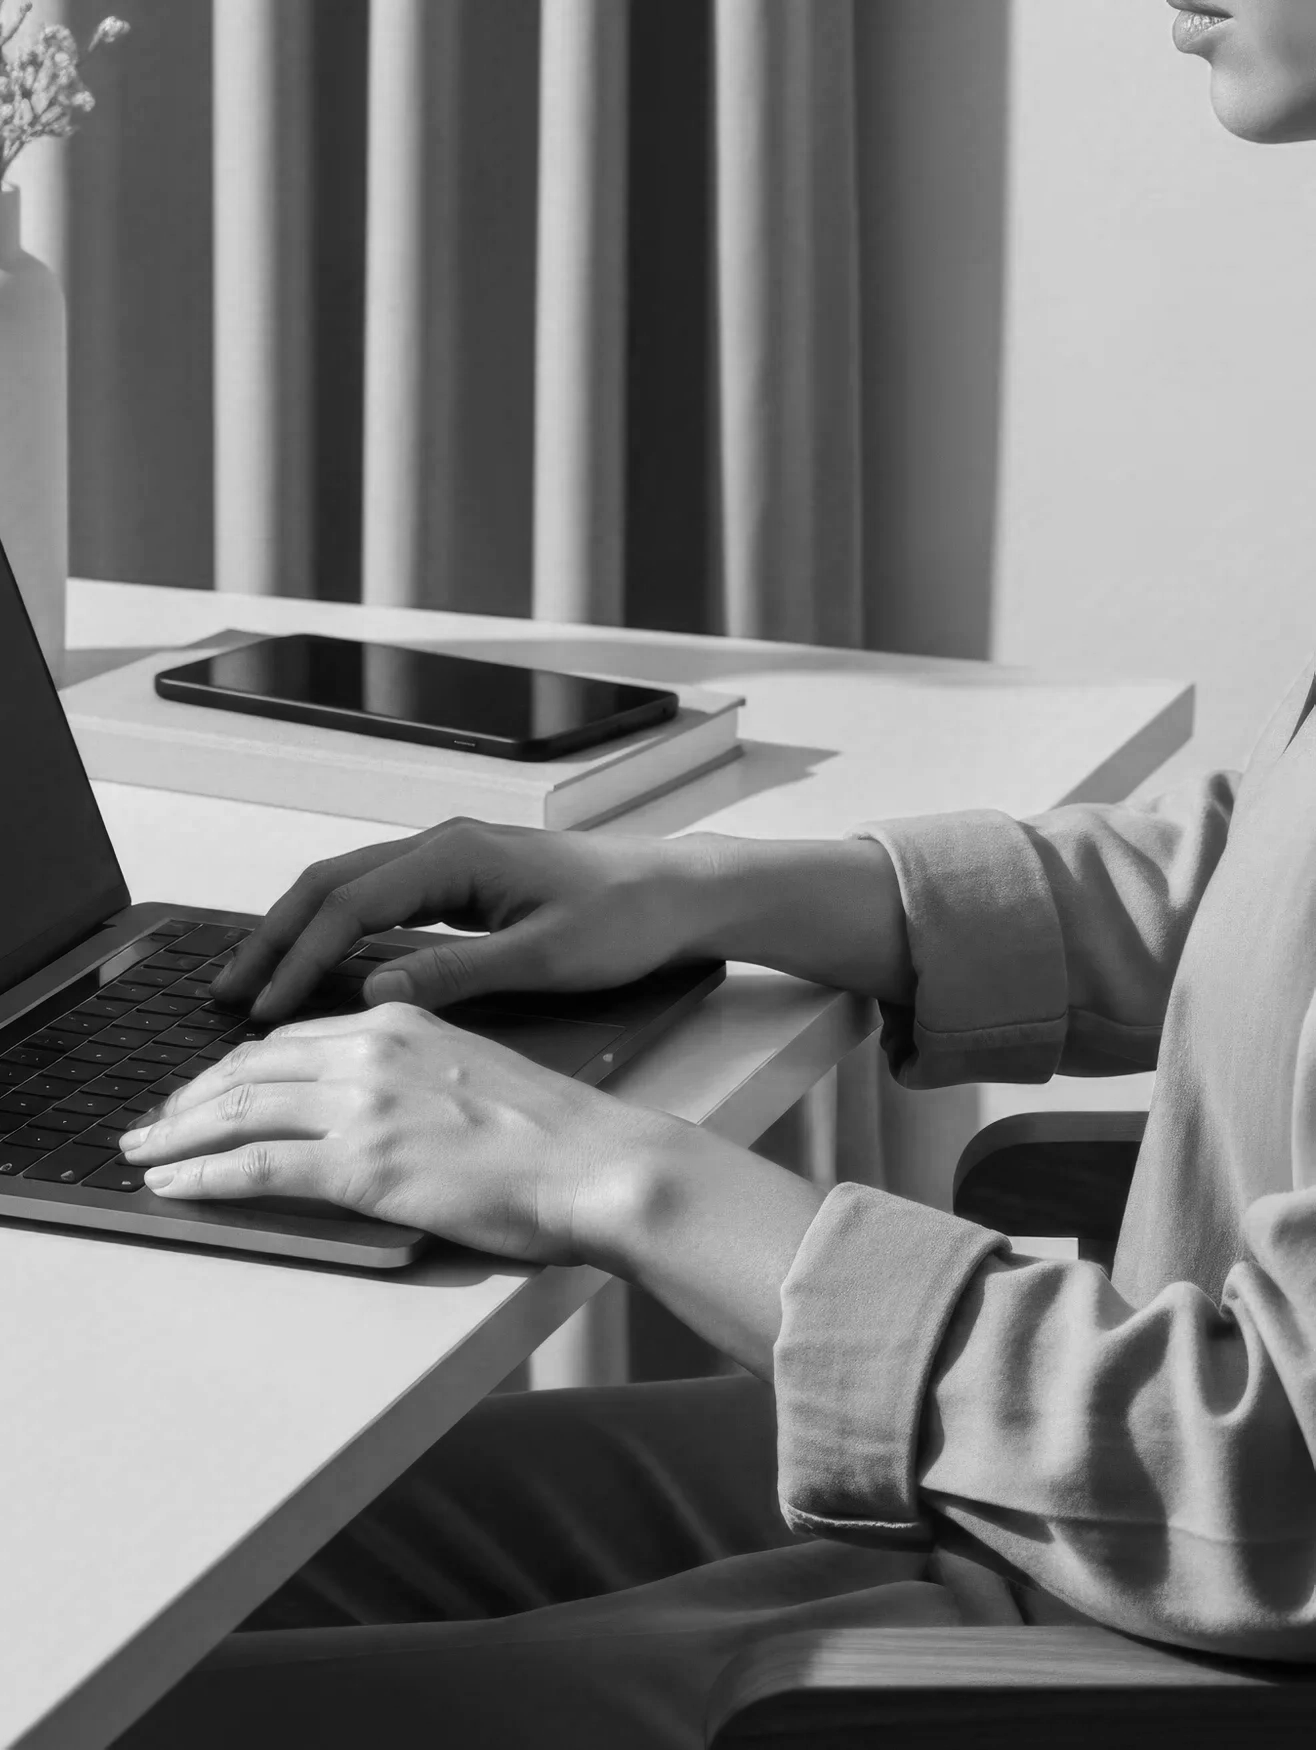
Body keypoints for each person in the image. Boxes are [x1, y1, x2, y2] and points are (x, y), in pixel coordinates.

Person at [116, 5, 1316, 1744]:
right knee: (184, 1541)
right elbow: (1264, 893)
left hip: (1147, 1598)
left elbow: (1274, 1490)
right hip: (1081, 1491)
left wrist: (610, 1176)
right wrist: (706, 892)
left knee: (106, 1698)